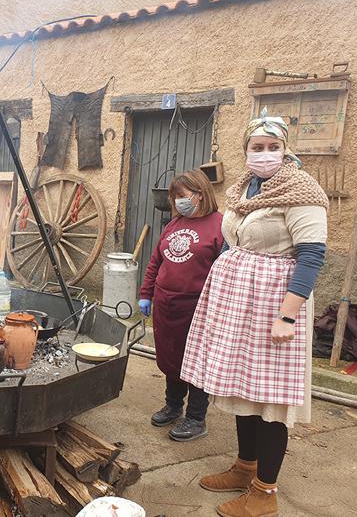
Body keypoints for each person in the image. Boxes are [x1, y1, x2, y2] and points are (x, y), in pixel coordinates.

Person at [180, 111, 328, 517]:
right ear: (246, 151)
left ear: (285, 149)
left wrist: (287, 317)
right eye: (257, 147)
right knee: (241, 389)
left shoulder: (302, 191)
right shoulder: (247, 188)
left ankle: (265, 492)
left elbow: (312, 257)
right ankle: (245, 469)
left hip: (274, 305)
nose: (265, 154)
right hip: (238, 303)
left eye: (273, 147)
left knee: (270, 399)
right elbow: (235, 242)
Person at [138, 169, 223, 442]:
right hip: (166, 304)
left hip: (198, 306)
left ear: (200, 195)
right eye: (176, 197)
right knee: (171, 357)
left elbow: (225, 271)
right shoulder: (173, 225)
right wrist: (146, 293)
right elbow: (155, 262)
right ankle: (173, 406)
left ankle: (196, 418)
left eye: (183, 196)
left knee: (196, 361)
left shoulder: (221, 226)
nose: (179, 202)